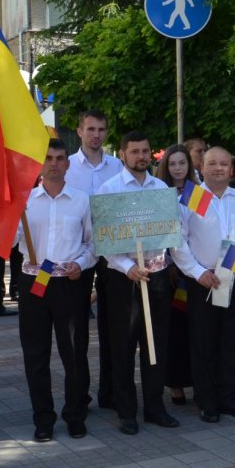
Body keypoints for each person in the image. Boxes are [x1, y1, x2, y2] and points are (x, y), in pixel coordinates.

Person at [96, 131, 201, 435]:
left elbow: (174, 237)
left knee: (156, 346)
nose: (140, 156)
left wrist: (192, 269)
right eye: (134, 151)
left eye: (145, 151)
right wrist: (128, 267)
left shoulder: (160, 189)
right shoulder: (109, 190)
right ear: (123, 154)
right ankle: (127, 411)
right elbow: (103, 242)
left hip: (155, 278)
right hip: (122, 279)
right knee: (123, 346)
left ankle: (155, 406)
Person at [14, 140, 95, 441]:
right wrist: (9, 213)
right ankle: (43, 419)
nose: (55, 163)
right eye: (48, 158)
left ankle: (75, 414)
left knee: (74, 352)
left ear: (68, 164)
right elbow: (10, 242)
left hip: (68, 283)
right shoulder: (26, 201)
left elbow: (92, 243)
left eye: (60, 158)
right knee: (36, 354)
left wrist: (82, 263)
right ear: (40, 163)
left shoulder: (81, 200)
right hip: (33, 282)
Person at [181, 147, 235, 423]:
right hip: (203, 281)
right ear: (201, 168)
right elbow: (178, 241)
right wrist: (196, 272)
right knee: (203, 343)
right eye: (212, 163)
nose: (218, 168)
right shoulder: (191, 198)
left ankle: (231, 399)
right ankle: (207, 401)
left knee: (233, 342)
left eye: (224, 164)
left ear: (232, 170)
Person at [65, 110, 124, 409]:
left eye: (101, 129)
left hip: (114, 253)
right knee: (78, 329)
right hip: (79, 252)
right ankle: (79, 393)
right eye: (90, 129)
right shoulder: (68, 168)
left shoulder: (118, 167)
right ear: (79, 131)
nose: (96, 135)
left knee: (113, 325)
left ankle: (110, 391)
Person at [157, 145, 198, 407]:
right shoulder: (159, 192)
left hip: (196, 271)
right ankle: (175, 384)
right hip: (168, 272)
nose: (178, 168)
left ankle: (197, 380)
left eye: (182, 163)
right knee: (173, 331)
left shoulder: (199, 193)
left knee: (195, 330)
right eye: (172, 163)